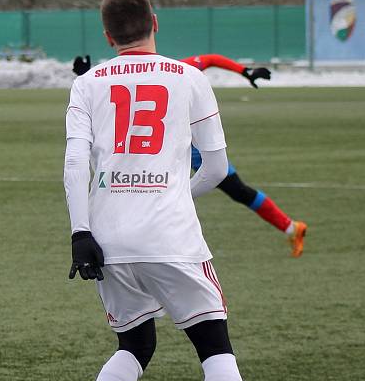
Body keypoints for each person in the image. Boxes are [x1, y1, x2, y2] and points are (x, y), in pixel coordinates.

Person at [59, 0, 271, 381]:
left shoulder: (86, 84)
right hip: (172, 237)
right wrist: (174, 191)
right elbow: (218, 169)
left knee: (135, 346)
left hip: (107, 239)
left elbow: (73, 164)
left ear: (107, 35)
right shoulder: (191, 77)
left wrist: (80, 232)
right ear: (156, 21)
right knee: (214, 348)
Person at [73, 52, 307, 257]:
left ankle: (291, 227)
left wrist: (86, 77)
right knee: (235, 192)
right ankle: (291, 227)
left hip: (188, 154)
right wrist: (87, 76)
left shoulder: (177, 70)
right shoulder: (173, 70)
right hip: (177, 154)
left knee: (142, 193)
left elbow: (211, 59)